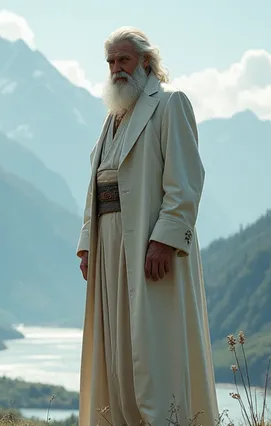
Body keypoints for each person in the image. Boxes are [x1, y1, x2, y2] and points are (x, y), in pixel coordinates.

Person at [75, 27, 219, 426]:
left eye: (124, 60)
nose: (116, 69)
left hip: (147, 244)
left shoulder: (171, 104)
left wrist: (165, 241)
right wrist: (88, 243)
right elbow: (97, 184)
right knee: (116, 347)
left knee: (153, 348)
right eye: (110, 62)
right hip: (109, 246)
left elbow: (186, 181)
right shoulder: (112, 117)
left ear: (146, 63)